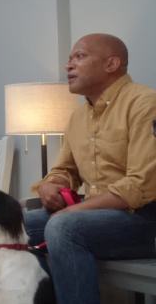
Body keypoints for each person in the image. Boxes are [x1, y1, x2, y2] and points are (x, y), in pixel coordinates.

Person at [25, 34, 156, 304]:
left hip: (145, 221)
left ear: (111, 64)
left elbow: (141, 184)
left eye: (79, 56)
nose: (68, 65)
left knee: (64, 227)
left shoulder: (145, 103)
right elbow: (65, 169)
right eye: (69, 58)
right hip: (96, 216)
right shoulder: (78, 116)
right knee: (14, 223)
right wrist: (51, 185)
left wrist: (75, 210)